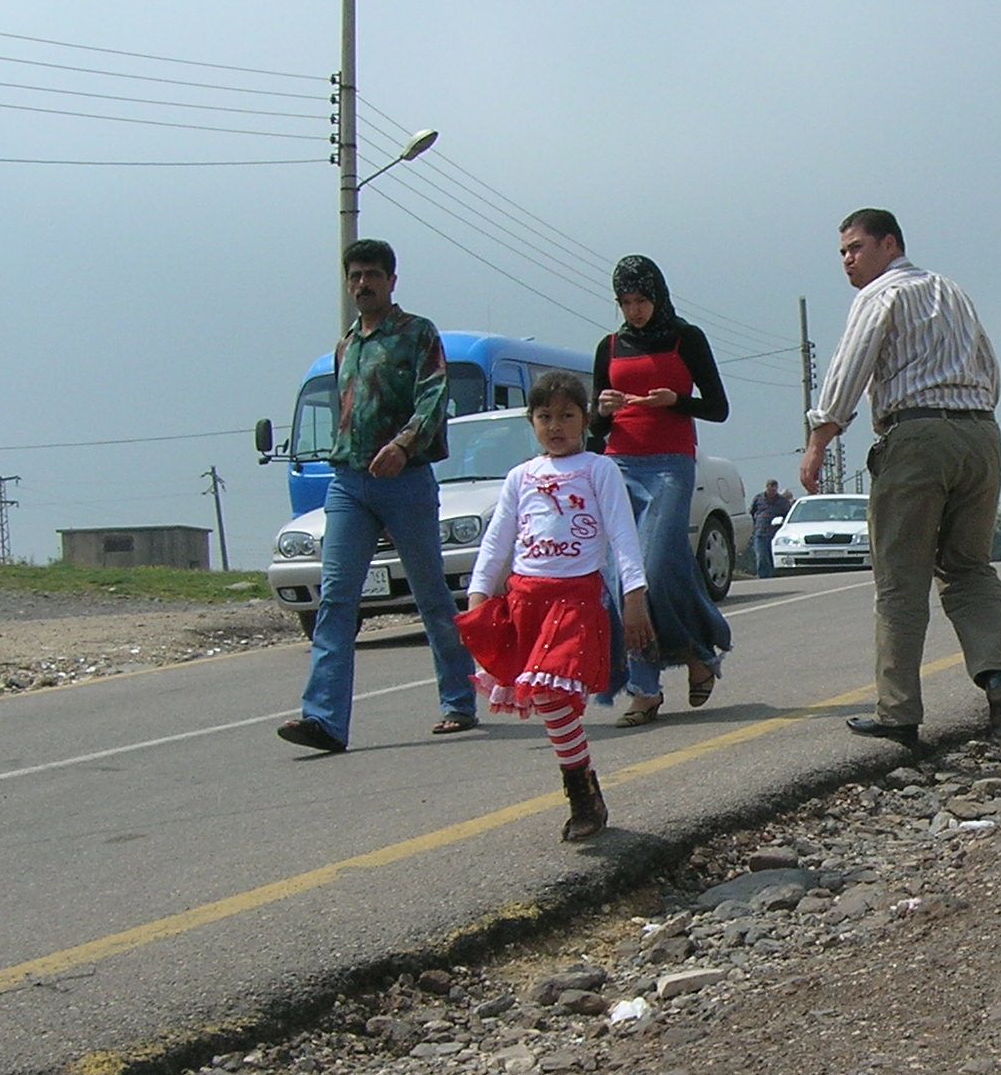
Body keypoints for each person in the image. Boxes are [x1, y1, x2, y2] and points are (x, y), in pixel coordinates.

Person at [799, 208, 1001, 746]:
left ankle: (899, 711)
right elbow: (989, 365)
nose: (848, 261)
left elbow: (847, 373)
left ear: (889, 244)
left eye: (855, 247)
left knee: (900, 579)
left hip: (916, 435)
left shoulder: (880, 296)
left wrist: (817, 441)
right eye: (843, 252)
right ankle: (998, 680)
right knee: (969, 567)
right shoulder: (952, 290)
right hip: (981, 435)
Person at [277, 238, 480, 755]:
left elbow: (434, 397)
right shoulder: (347, 346)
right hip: (348, 483)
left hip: (406, 479)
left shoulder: (417, 334)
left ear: (392, 281)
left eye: (372, 275)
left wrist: (403, 444)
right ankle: (323, 719)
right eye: (355, 276)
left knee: (432, 595)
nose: (363, 284)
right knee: (337, 599)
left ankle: (458, 700)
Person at [456, 372, 652, 840]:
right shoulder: (520, 477)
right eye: (545, 417)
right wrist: (479, 595)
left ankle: (580, 793)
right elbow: (497, 541)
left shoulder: (597, 469)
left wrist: (635, 596)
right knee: (548, 698)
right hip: (525, 602)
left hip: (574, 602)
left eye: (566, 416)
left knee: (548, 693)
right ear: (532, 422)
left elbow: (623, 536)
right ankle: (584, 787)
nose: (556, 426)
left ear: (584, 420)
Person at [588, 255, 731, 725]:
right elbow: (592, 431)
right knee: (624, 580)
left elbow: (717, 407)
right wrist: (603, 411)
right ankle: (645, 689)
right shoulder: (608, 347)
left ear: (658, 296)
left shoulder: (685, 338)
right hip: (619, 464)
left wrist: (677, 403)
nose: (635, 311)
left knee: (658, 569)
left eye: (642, 300)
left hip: (670, 464)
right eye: (625, 303)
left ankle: (696, 656)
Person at [749, 478, 794, 578]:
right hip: (760, 532)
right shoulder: (758, 498)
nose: (772, 492)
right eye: (770, 489)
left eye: (774, 490)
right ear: (767, 488)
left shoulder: (782, 501)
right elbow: (752, 512)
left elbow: (788, 515)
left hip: (775, 534)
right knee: (761, 556)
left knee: (771, 556)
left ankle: (773, 576)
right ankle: (763, 577)